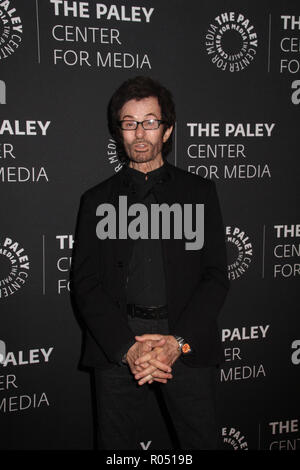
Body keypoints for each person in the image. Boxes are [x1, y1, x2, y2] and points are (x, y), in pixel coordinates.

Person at [70, 76, 229, 450]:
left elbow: (216, 277)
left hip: (184, 337)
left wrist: (178, 342)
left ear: (167, 129)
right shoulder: (95, 200)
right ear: (119, 131)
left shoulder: (200, 193)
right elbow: (85, 282)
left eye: (150, 121)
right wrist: (126, 346)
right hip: (117, 340)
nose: (140, 132)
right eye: (129, 122)